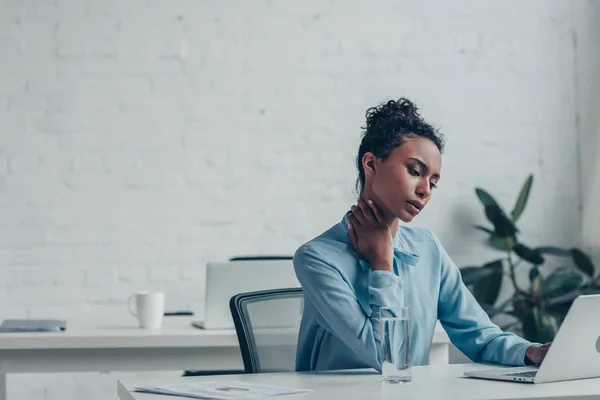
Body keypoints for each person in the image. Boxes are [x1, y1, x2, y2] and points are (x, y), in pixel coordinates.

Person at [293, 97, 551, 372]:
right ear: (371, 164)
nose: (425, 189)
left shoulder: (427, 248)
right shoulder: (317, 258)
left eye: (433, 183)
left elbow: (481, 337)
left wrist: (533, 352)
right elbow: (388, 359)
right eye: (415, 171)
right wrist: (382, 262)